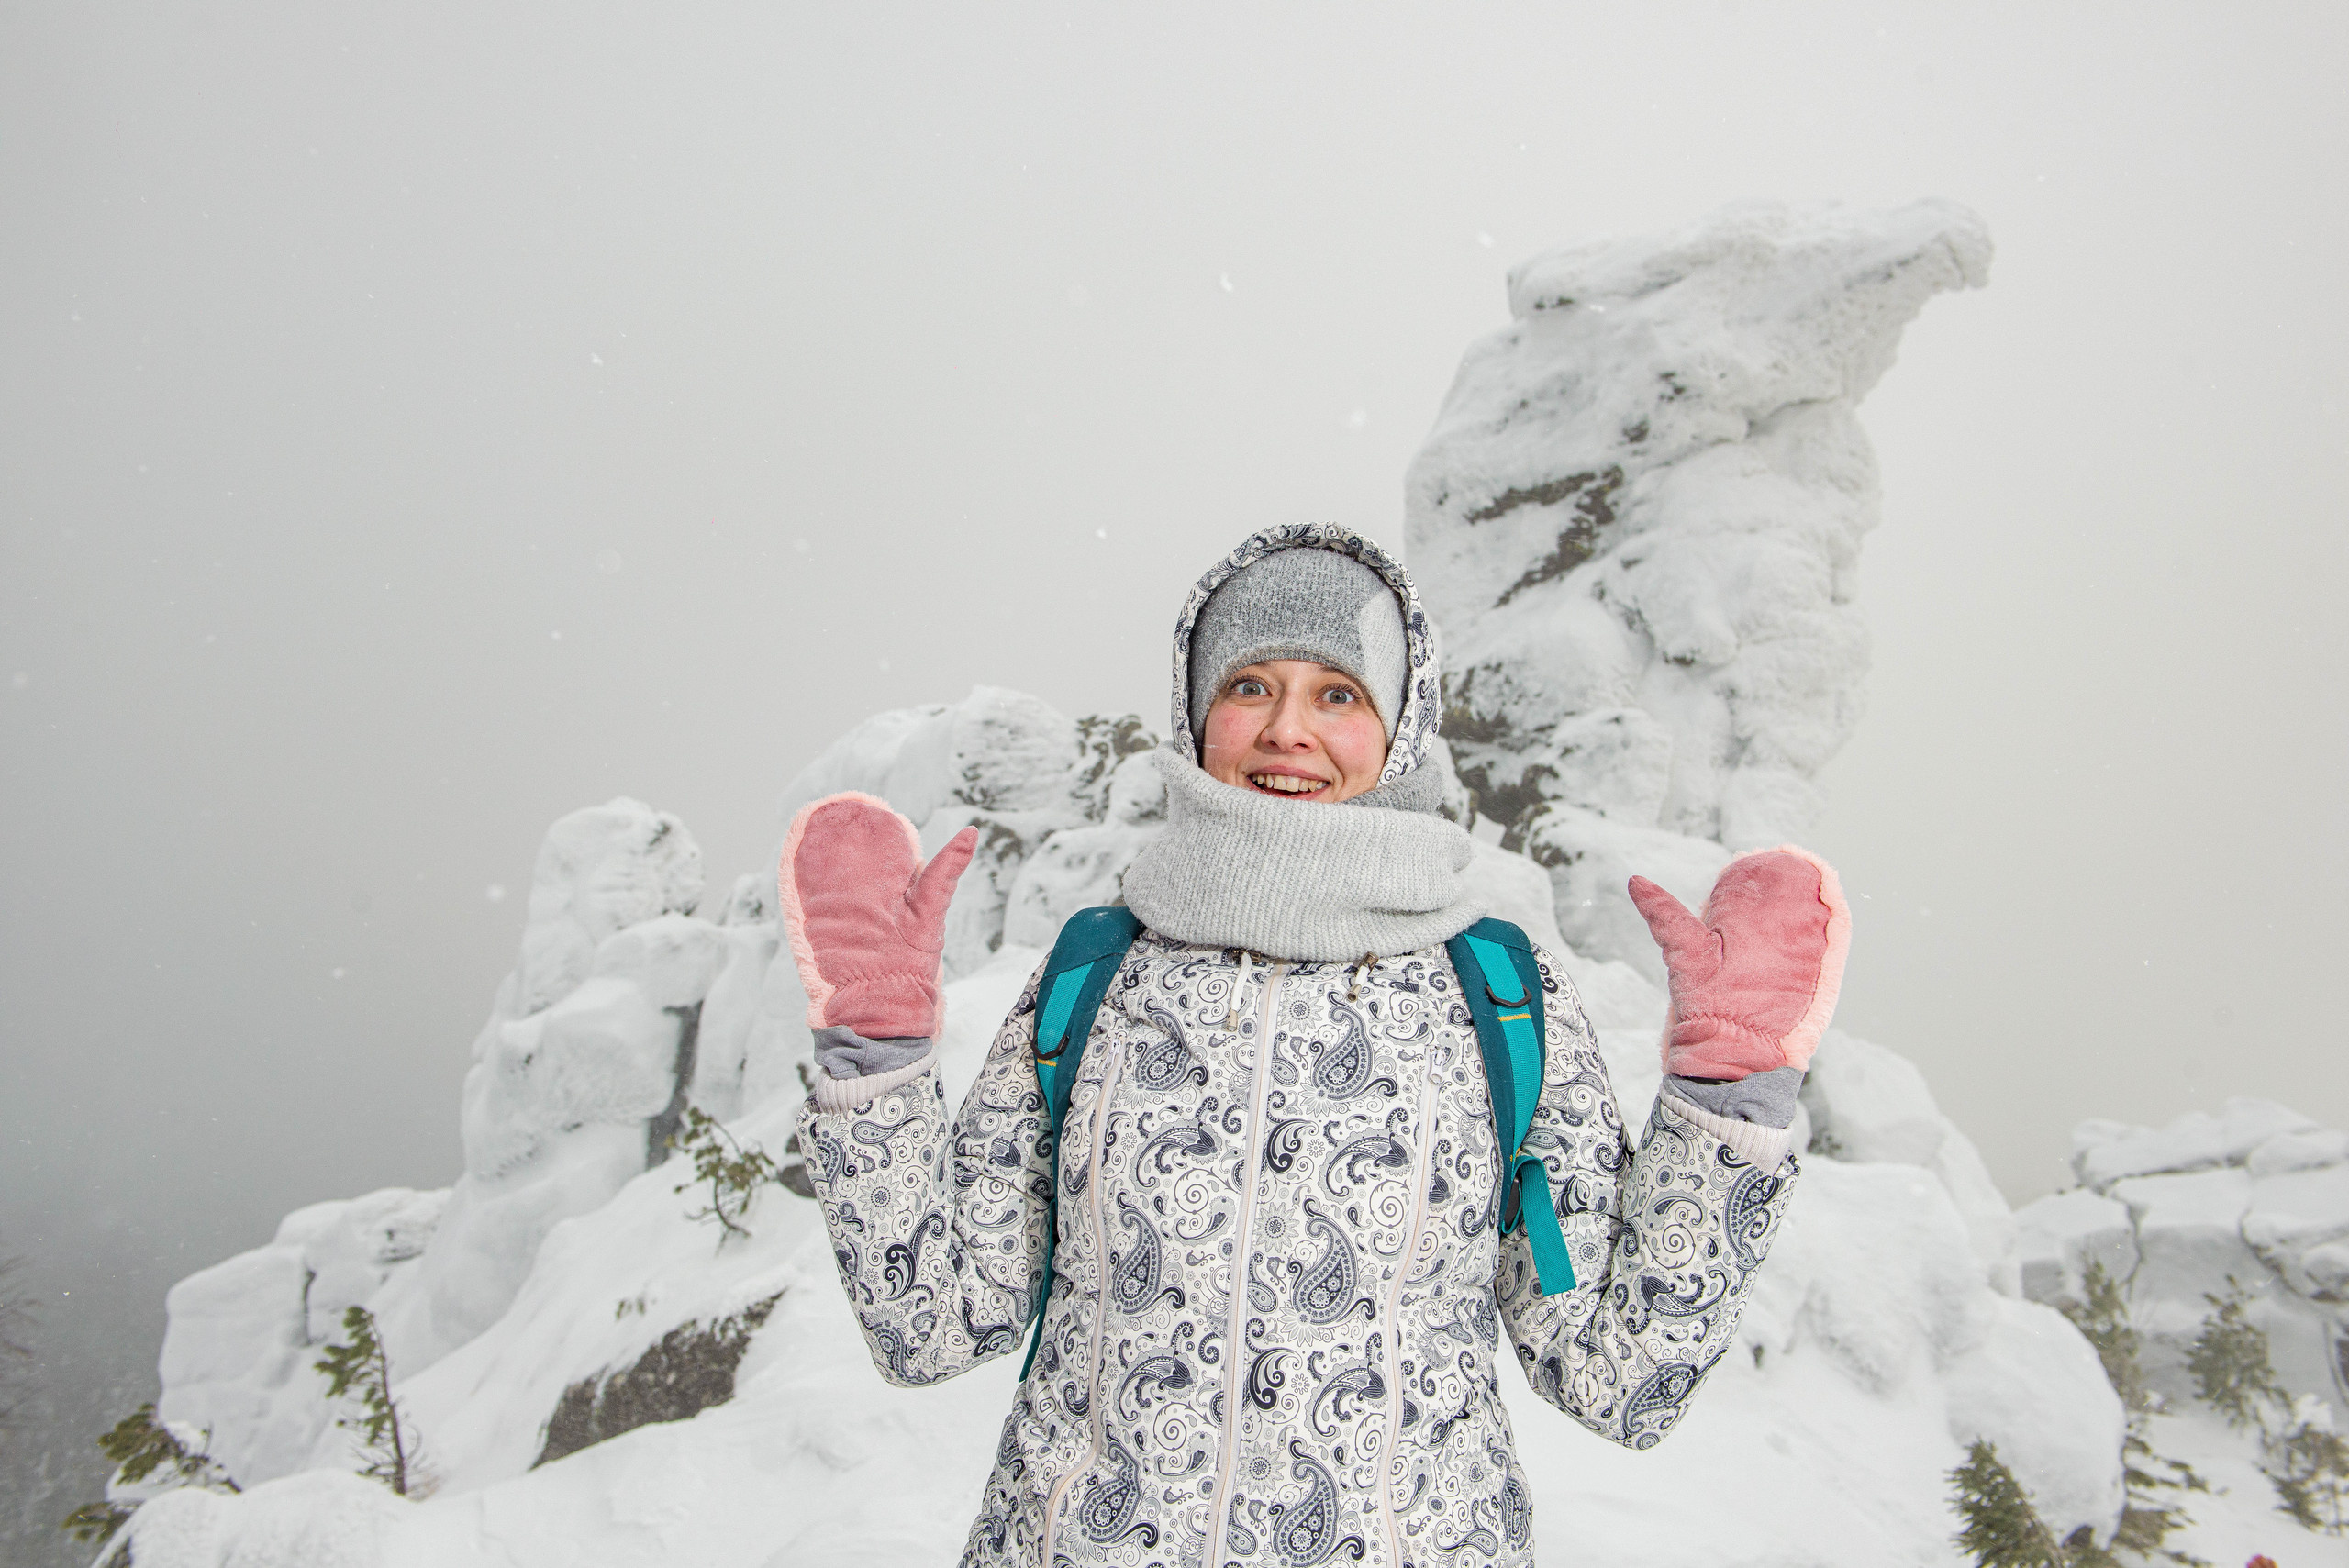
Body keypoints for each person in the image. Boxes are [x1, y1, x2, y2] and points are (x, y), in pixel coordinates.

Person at [781, 524, 1849, 1568]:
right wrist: (876, 1060)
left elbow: (1618, 1376)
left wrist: (1727, 1096)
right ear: (1196, 714)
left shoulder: (1495, 994)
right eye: (1249, 686)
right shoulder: (1096, 973)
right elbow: (932, 1322)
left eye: (1338, 694)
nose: (1287, 727)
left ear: (1399, 728)